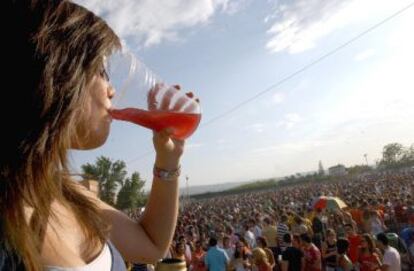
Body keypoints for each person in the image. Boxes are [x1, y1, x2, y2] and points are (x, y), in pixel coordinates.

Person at [1, 1, 198, 270]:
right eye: (101, 71)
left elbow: (151, 245)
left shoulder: (64, 192)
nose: (113, 90)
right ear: (59, 74)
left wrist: (168, 159)